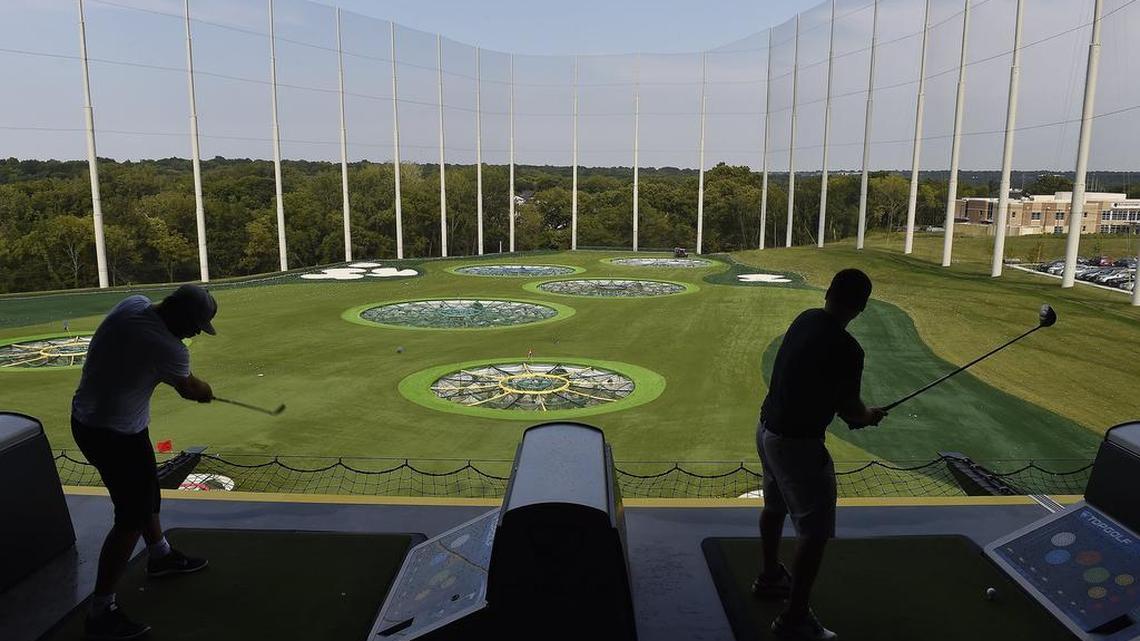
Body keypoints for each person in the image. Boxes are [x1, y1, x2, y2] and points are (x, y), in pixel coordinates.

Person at [71, 284, 218, 640]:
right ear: (181, 317)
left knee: (147, 491)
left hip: (99, 421)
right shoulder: (168, 347)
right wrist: (207, 392)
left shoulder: (132, 305)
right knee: (131, 516)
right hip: (110, 433)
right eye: (197, 324)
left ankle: (160, 555)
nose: (198, 332)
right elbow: (190, 388)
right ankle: (101, 612)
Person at [752, 269, 887, 641]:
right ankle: (794, 619)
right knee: (814, 533)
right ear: (860, 307)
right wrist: (869, 416)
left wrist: (850, 412)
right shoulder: (848, 349)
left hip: (766, 429)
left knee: (774, 505)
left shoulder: (806, 318)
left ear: (828, 292)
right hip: (797, 444)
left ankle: (769, 577)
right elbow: (851, 410)